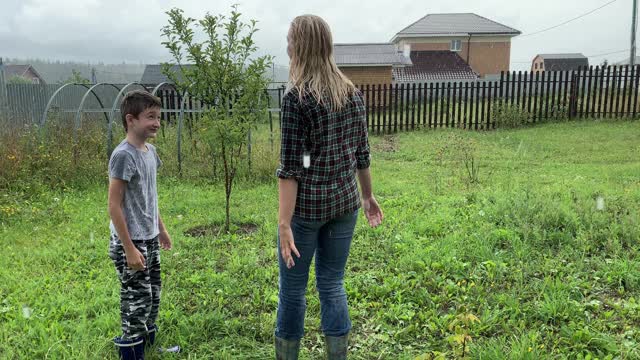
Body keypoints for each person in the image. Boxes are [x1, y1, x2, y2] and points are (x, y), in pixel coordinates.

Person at [275, 14, 384, 360]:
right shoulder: (351, 94)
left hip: (306, 212)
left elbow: (291, 169)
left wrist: (283, 224)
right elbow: (361, 154)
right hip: (345, 205)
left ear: (301, 45)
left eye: (290, 40)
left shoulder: (297, 98)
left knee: (293, 291)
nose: (287, 46)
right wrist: (367, 197)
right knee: (332, 284)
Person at [107, 90, 172, 360]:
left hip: (149, 236)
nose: (157, 122)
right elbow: (114, 205)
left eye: (158, 116)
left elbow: (150, 196)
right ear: (130, 119)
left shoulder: (150, 152)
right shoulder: (123, 155)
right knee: (136, 300)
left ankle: (148, 346)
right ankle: (131, 354)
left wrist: (162, 229)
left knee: (153, 294)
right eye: (150, 117)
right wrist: (129, 248)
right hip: (130, 241)